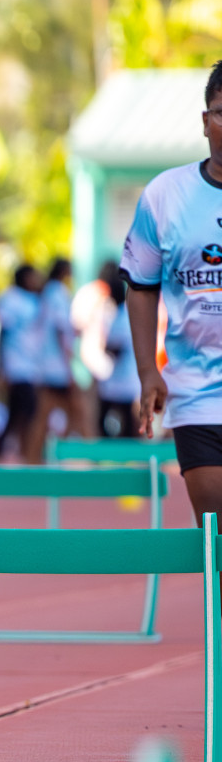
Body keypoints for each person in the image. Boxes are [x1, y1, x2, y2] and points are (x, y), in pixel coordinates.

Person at [121, 59, 222, 525]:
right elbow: (141, 288)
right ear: (205, 122)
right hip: (198, 392)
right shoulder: (165, 195)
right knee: (217, 533)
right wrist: (147, 371)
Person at [25, 258, 84, 460]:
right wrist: (68, 365)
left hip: (45, 365)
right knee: (78, 411)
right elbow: (59, 330)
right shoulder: (58, 293)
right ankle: (85, 458)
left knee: (45, 415)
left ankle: (36, 458)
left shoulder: (46, 294)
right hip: (56, 367)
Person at [0, 264, 43, 461]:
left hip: (31, 366)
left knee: (16, 413)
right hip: (16, 364)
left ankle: (2, 452)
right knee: (25, 411)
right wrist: (1, 367)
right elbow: (3, 333)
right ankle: (21, 452)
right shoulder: (10, 299)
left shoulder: (35, 299)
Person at [97, 263, 140, 438]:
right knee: (114, 422)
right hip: (118, 380)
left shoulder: (122, 315)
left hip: (123, 381)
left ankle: (132, 460)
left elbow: (116, 348)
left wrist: (105, 348)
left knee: (125, 425)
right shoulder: (117, 314)